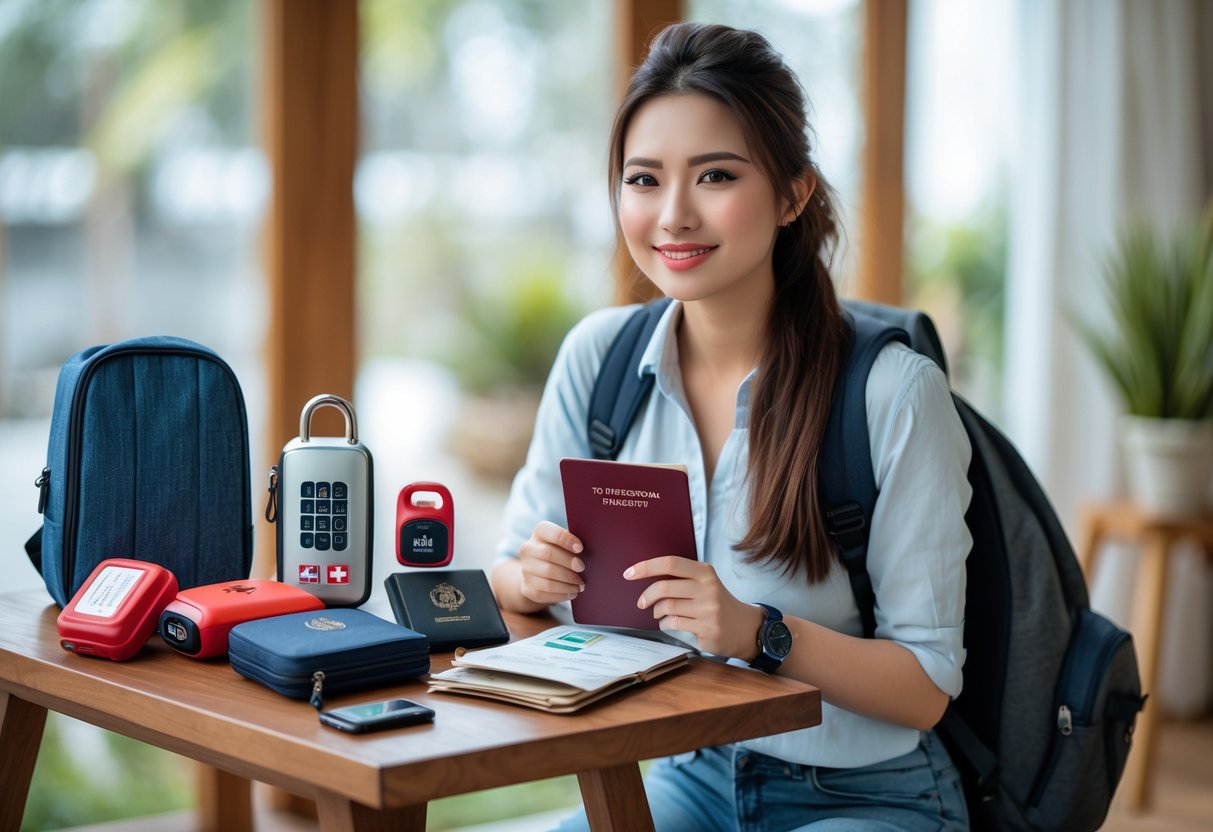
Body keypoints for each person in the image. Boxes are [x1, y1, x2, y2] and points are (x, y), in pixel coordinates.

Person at [489, 21, 972, 832]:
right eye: (643, 180)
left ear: (792, 194)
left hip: (868, 794)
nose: (673, 215)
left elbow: (924, 686)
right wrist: (531, 580)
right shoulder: (598, 360)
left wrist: (759, 632)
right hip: (686, 776)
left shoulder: (891, 392)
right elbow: (506, 579)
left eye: (714, 175)